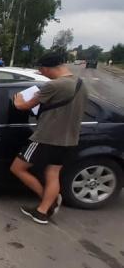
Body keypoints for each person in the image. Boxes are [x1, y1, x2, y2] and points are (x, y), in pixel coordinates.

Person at [10, 52, 88, 224]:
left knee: (17, 168)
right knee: (53, 173)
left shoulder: (54, 85)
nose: (41, 73)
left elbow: (24, 106)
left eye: (41, 70)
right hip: (69, 139)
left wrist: (17, 100)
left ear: (46, 68)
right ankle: (42, 211)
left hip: (46, 137)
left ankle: (48, 201)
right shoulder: (81, 84)